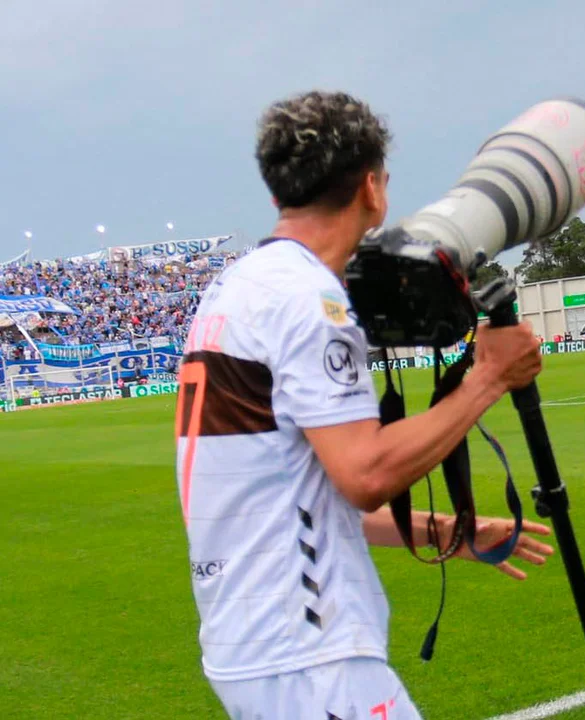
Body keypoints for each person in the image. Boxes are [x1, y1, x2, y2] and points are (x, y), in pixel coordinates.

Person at [174, 90, 554, 719]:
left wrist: (440, 529)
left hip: (257, 640)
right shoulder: (307, 299)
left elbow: (294, 488)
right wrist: (488, 378)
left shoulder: (236, 288)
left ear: (277, 195)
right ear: (373, 189)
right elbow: (365, 475)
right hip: (304, 649)